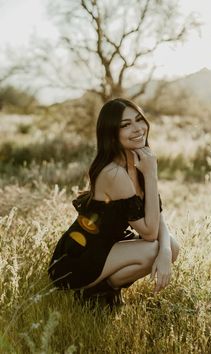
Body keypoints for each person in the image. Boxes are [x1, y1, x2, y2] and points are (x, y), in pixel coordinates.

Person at [48, 98, 179, 307]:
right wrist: (152, 175)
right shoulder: (113, 173)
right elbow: (150, 232)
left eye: (139, 120)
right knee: (152, 249)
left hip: (109, 246)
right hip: (80, 257)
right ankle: (90, 290)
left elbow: (156, 214)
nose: (137, 129)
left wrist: (166, 252)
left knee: (171, 245)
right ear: (111, 133)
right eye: (125, 125)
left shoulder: (138, 162)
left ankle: (100, 291)